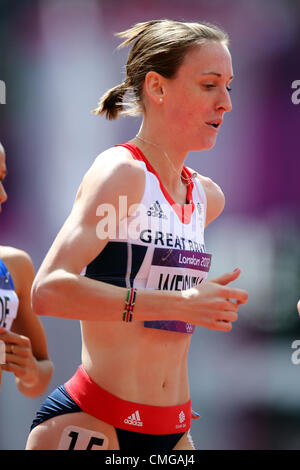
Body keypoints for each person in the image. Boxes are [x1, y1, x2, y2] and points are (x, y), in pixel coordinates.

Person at [26, 19, 248, 451]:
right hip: (97, 424)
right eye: (209, 85)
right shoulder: (123, 176)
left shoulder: (206, 197)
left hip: (174, 430)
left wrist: (202, 306)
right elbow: (48, 290)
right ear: (156, 87)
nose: (226, 103)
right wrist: (179, 303)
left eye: (229, 87)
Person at [0, 142, 53, 398]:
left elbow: (43, 368)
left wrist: (29, 370)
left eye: (2, 179)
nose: (3, 195)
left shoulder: (14, 266)